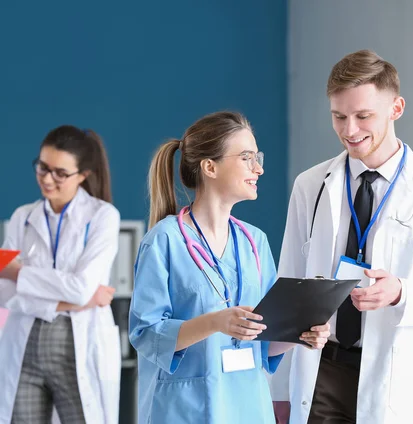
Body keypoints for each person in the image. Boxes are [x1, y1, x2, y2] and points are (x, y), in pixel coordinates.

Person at [269, 50, 413, 424]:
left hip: (391, 374)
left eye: (363, 116)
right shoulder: (311, 186)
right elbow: (289, 286)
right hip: (321, 369)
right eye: (339, 116)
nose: (350, 130)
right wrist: (278, 392)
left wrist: (400, 292)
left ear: (396, 108)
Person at [129, 111, 331, 424]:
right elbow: (145, 333)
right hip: (187, 408)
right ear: (209, 167)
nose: (259, 168)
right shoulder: (164, 240)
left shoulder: (255, 242)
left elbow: (263, 338)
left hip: (248, 405)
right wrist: (215, 322)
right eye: (247, 158)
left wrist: (299, 335)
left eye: (258, 157)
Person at [0, 125, 121, 424]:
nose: (47, 178)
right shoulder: (21, 217)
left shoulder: (103, 217)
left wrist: (20, 273)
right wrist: (67, 303)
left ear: (83, 175)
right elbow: (4, 292)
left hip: (76, 344)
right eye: (42, 167)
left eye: (60, 173)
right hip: (24, 342)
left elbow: (80, 287)